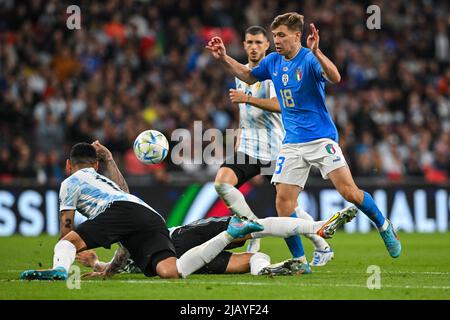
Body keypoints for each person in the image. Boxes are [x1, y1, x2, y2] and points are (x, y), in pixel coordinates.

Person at [206, 12, 401, 258]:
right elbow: (247, 75)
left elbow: (336, 77)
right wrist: (223, 58)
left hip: (320, 138)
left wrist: (318, 52)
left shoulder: (308, 59)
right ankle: (299, 260)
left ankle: (383, 225)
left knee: (349, 192)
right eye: (274, 35)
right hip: (291, 143)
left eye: (281, 36)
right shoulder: (274, 61)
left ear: (297, 36)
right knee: (283, 204)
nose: (276, 40)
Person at [19, 141, 264, 281]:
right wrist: (108, 273)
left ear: (68, 165)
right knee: (170, 271)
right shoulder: (104, 181)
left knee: (65, 244)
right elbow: (126, 197)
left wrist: (67, 248)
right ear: (96, 164)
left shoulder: (70, 182)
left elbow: (67, 226)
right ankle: (229, 234)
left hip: (123, 210)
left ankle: (58, 271)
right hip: (149, 214)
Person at [214, 26, 334, 269]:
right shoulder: (242, 74)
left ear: (267, 46)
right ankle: (253, 233)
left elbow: (281, 105)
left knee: (289, 207)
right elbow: (243, 114)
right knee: (222, 183)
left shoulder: (273, 72)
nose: (254, 47)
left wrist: (247, 98)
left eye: (259, 42)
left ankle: (321, 243)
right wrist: (238, 140)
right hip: (248, 149)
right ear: (244, 45)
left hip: (276, 148)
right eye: (249, 42)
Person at [78, 208, 357, 278]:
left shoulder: (135, 260)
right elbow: (123, 252)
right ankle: (316, 228)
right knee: (252, 227)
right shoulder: (134, 226)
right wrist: (103, 264)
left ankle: (266, 270)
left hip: (185, 262)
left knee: (248, 262)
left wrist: (100, 266)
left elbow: (122, 261)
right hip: (180, 237)